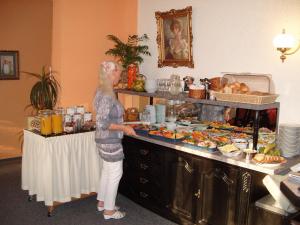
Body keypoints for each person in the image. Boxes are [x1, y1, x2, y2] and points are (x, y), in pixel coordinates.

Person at [94, 60, 136, 220]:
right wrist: (124, 128)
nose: (121, 74)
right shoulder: (107, 94)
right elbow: (102, 122)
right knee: (115, 174)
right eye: (119, 72)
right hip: (109, 141)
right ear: (112, 73)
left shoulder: (102, 90)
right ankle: (109, 212)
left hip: (103, 140)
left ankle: (102, 203)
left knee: (107, 171)